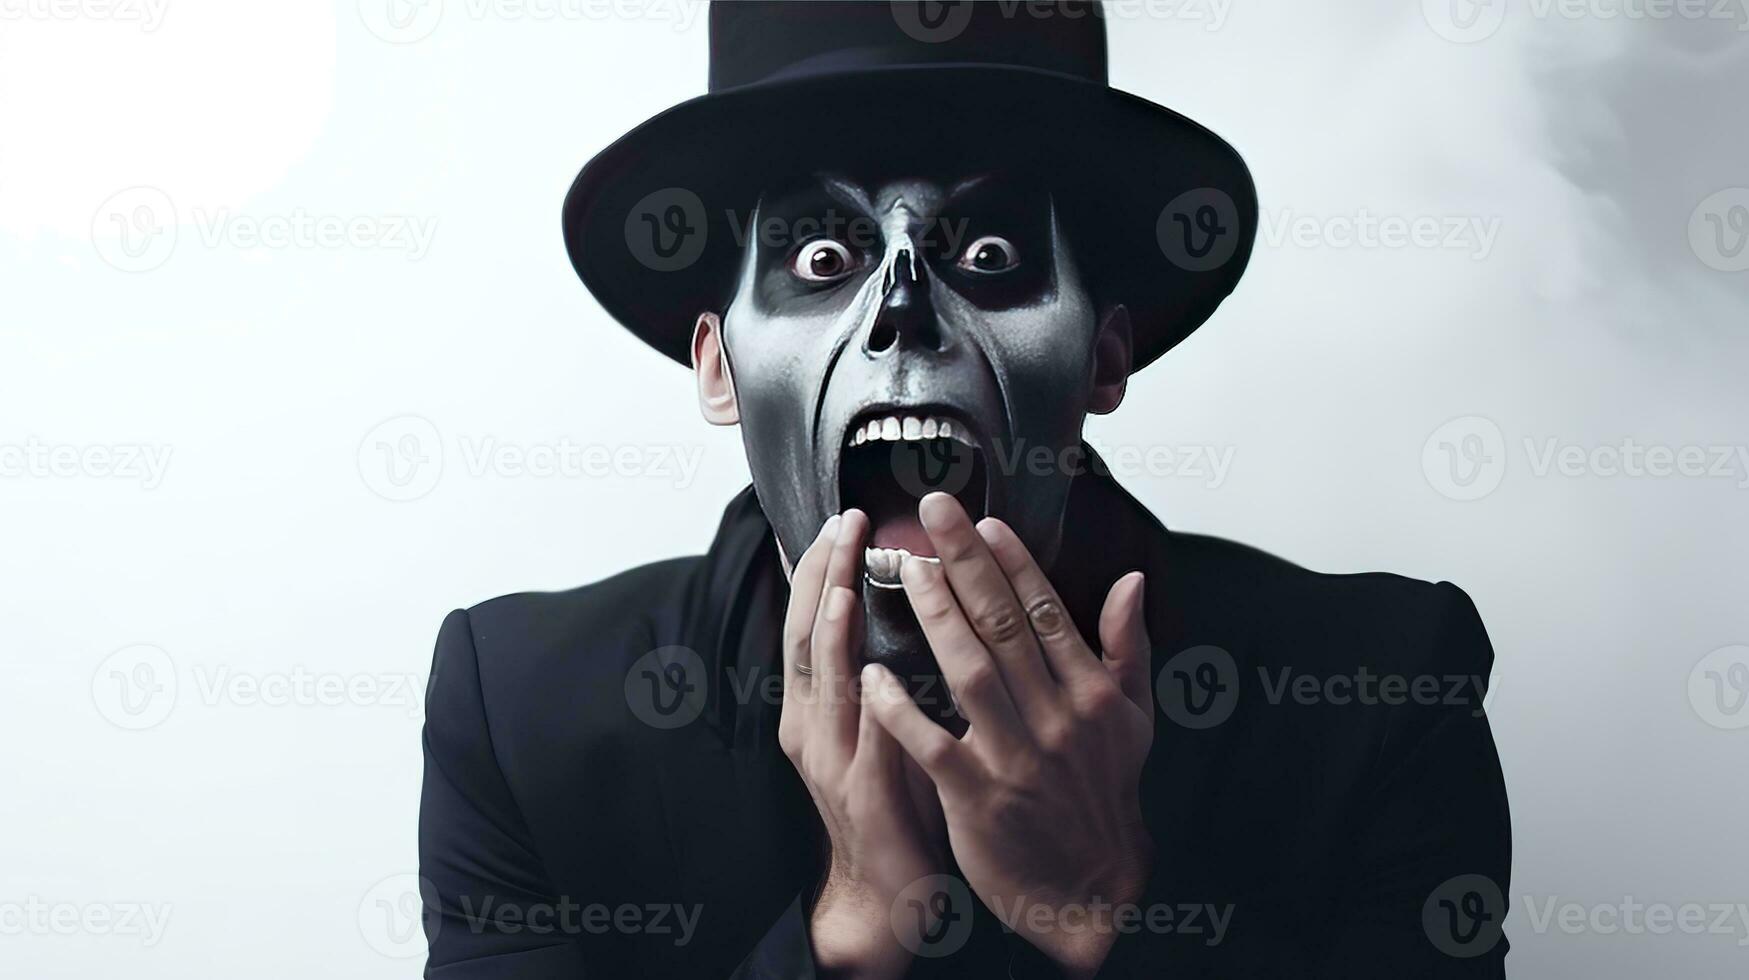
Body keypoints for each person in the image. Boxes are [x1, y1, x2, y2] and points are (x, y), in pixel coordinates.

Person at [419, 3, 1512, 977]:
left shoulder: (1383, 691)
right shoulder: (524, 718)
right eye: (818, 259)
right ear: (719, 366)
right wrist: (846, 932)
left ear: (1102, 357)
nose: (904, 306)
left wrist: (1106, 906)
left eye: (989, 250)